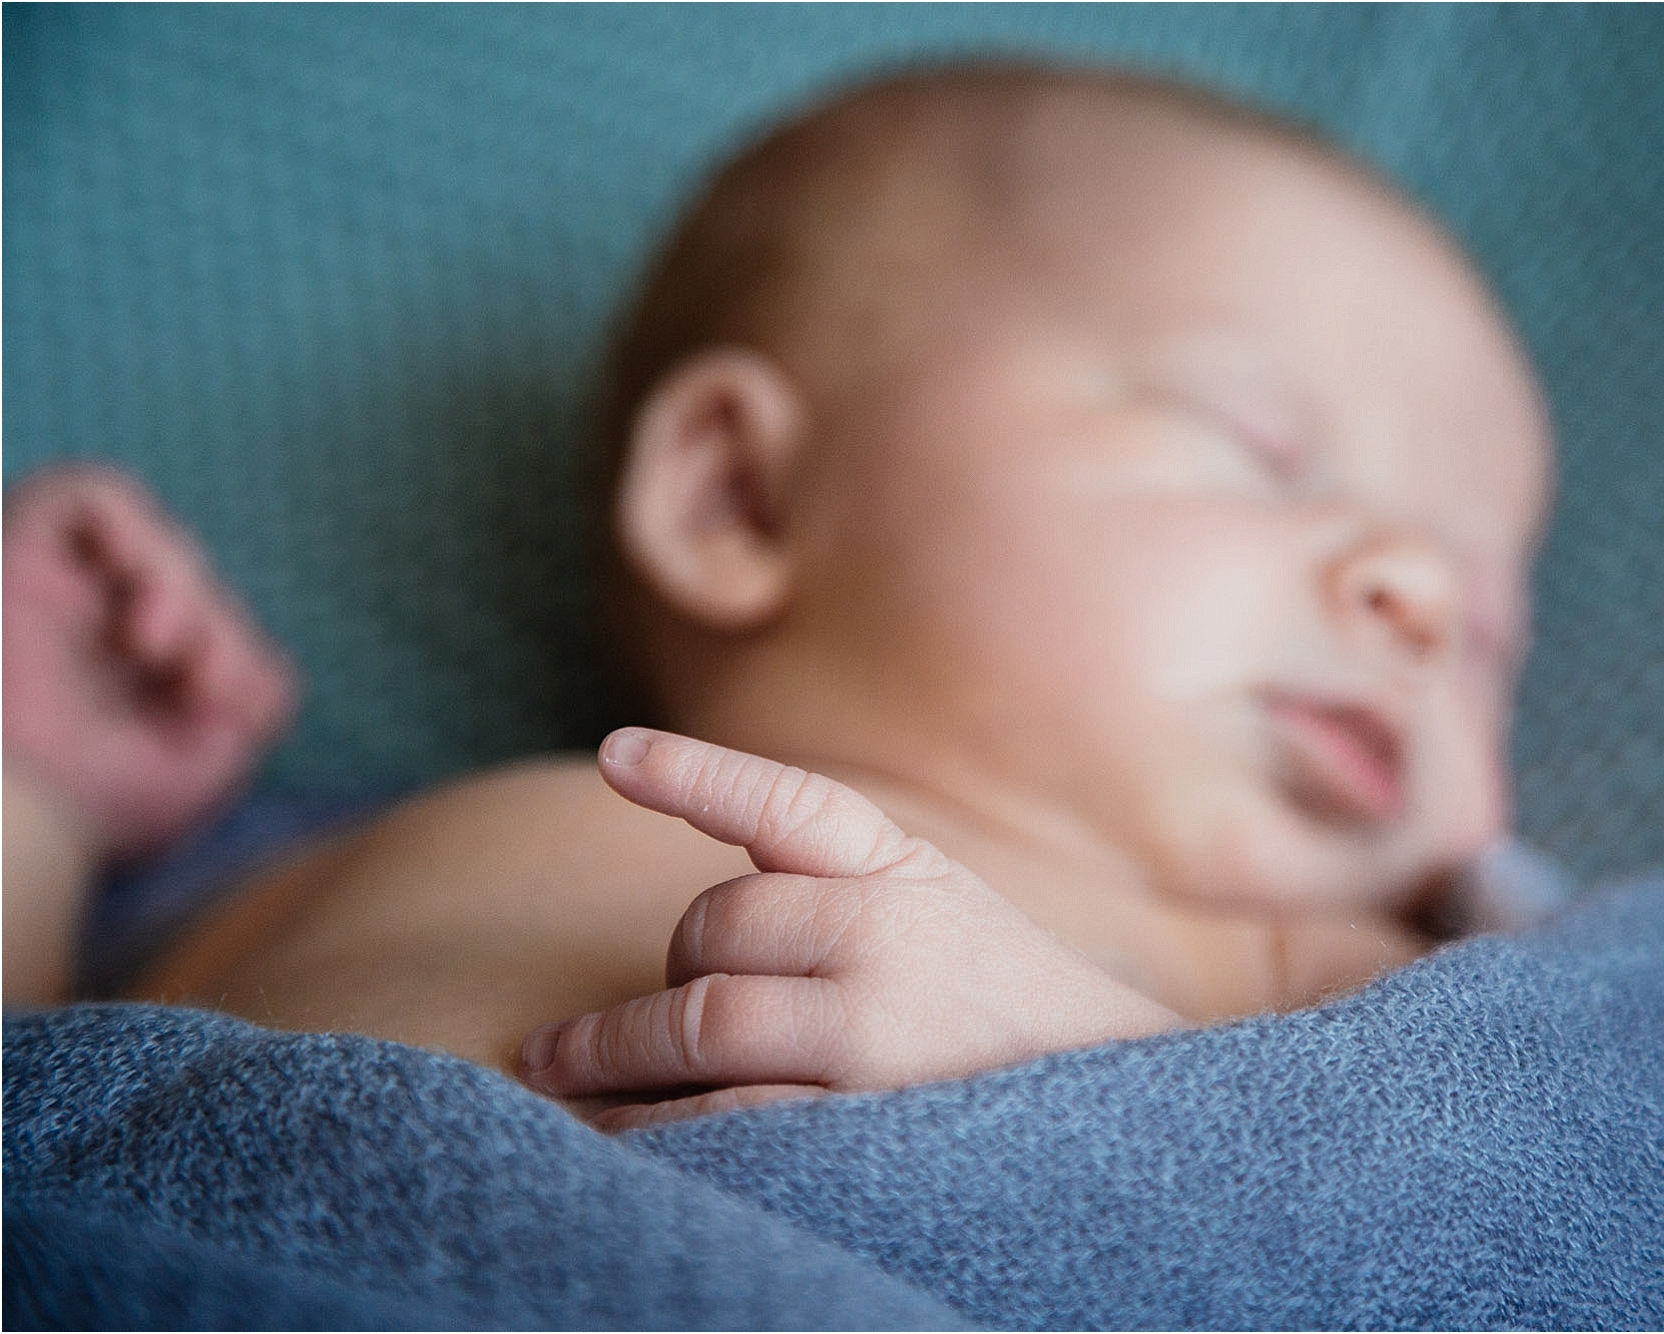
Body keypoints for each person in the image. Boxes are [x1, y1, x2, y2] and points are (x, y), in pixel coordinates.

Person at [2, 63, 1550, 1131]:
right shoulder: (338, 858)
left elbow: (1558, 1222)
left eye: (1487, 628)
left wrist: (1091, 1095)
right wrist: (40, 806)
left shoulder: (1320, 975)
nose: (1419, 595)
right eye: (1262, 447)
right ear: (739, 498)